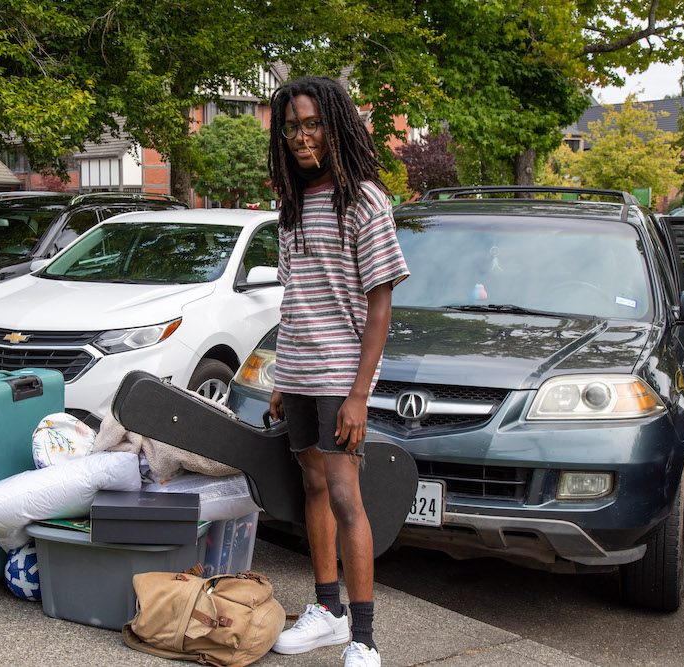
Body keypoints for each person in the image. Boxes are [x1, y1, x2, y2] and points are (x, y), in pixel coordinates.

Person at [266, 76, 409, 667]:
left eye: (312, 124)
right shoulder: (291, 207)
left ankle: (364, 640)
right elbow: (296, 297)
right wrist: (280, 374)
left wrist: (359, 394)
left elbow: (380, 307)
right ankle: (327, 613)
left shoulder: (366, 201)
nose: (302, 138)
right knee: (314, 487)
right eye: (291, 127)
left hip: (339, 378)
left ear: (336, 125)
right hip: (298, 371)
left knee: (348, 496)